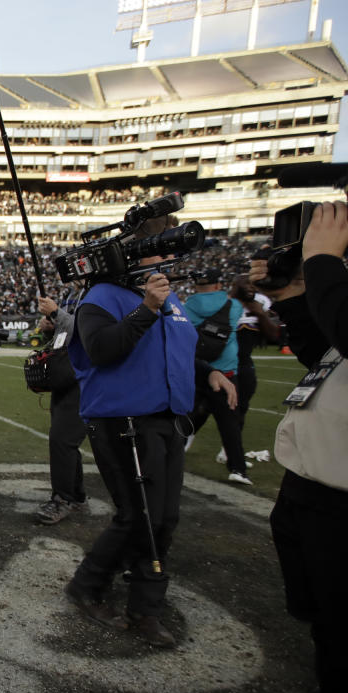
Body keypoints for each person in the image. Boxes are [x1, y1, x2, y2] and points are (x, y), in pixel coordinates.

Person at [63, 215, 237, 648]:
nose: (169, 257)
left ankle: (145, 605)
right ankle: (89, 584)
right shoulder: (102, 296)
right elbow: (102, 349)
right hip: (123, 421)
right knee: (137, 516)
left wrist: (208, 374)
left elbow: (173, 351)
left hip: (165, 422)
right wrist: (147, 308)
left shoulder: (170, 300)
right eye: (159, 249)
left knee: (164, 519)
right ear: (135, 254)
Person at [235, 202, 348, 693]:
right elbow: (329, 358)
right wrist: (291, 293)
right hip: (317, 493)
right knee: (330, 645)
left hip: (346, 505)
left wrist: (325, 261)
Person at [183, 267, 249, 484]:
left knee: (185, 416)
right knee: (230, 422)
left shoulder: (190, 305)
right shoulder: (234, 306)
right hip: (226, 371)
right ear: (218, 285)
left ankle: (173, 450)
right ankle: (237, 468)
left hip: (196, 369)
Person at [33, 295, 88, 524]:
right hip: (66, 376)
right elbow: (65, 338)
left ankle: (63, 498)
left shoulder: (97, 294)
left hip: (84, 376)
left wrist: (56, 313)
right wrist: (50, 328)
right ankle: (75, 495)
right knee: (64, 440)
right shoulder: (73, 296)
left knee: (62, 439)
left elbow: (86, 331)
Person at [230, 256, 281, 450]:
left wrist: (259, 313)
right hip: (221, 362)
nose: (250, 288)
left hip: (244, 363)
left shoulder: (262, 302)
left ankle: (229, 451)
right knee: (202, 407)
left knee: (241, 407)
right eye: (245, 285)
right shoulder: (228, 303)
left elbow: (274, 335)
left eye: (252, 284)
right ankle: (187, 439)